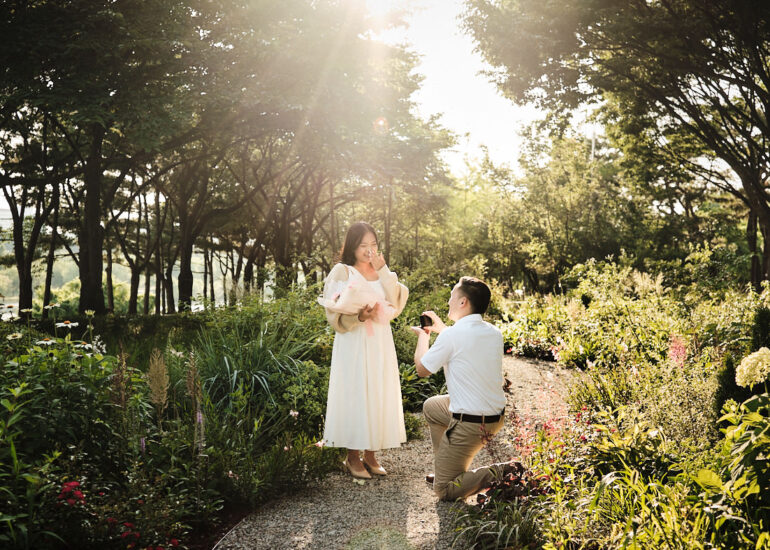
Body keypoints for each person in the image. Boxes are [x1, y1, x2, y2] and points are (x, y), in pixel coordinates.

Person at [322, 222, 409, 479]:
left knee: (378, 390)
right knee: (356, 391)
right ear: (352, 246)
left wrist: (383, 270)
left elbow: (396, 299)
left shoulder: (380, 270)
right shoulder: (342, 270)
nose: (369, 250)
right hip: (354, 338)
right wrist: (358, 316)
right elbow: (332, 308)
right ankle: (352, 455)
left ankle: (371, 454)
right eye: (363, 245)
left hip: (380, 339)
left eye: (373, 245)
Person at [410, 276, 508, 500]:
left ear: (463, 302)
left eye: (452, 296)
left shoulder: (453, 336)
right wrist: (442, 330)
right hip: (494, 417)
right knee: (432, 407)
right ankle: (445, 467)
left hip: (471, 422)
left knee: (444, 491)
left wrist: (423, 337)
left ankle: (502, 471)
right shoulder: (493, 332)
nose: (448, 302)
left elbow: (422, 370)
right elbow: (461, 339)